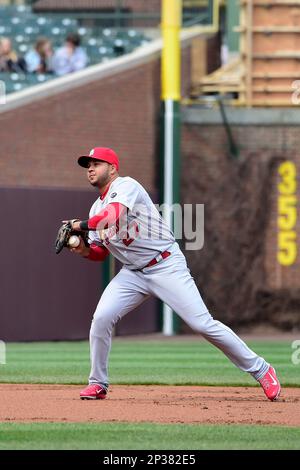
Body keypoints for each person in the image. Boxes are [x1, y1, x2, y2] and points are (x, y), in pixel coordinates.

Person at [66, 147, 281, 402]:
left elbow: (113, 217)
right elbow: (100, 253)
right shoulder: (94, 209)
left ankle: (261, 369)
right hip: (132, 273)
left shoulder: (126, 186)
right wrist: (81, 248)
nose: (90, 168)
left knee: (203, 324)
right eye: (87, 165)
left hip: (165, 265)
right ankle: (97, 383)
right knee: (101, 318)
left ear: (112, 168)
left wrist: (76, 226)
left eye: (96, 163)